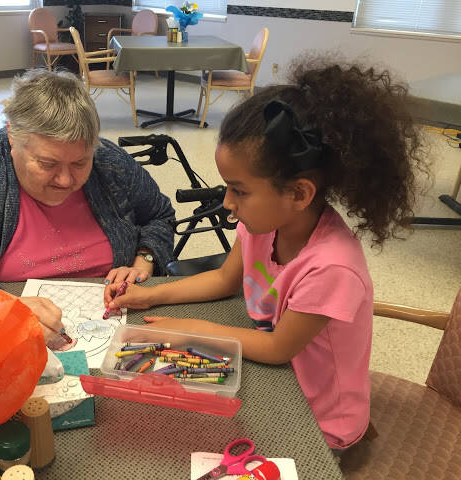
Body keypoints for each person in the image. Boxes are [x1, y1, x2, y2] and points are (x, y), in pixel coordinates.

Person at [104, 58, 429, 452]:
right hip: (276, 380)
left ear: (299, 194)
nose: (226, 203)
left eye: (239, 191)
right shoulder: (263, 225)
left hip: (318, 422)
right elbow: (224, 279)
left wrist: (192, 330)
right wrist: (150, 294)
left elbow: (277, 349)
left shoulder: (333, 268)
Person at [0, 68, 175, 342]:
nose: (65, 180)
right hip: (3, 334)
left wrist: (145, 258)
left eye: (80, 163)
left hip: (116, 321)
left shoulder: (109, 162)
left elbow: (160, 216)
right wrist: (0, 307)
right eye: (47, 164)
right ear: (12, 136)